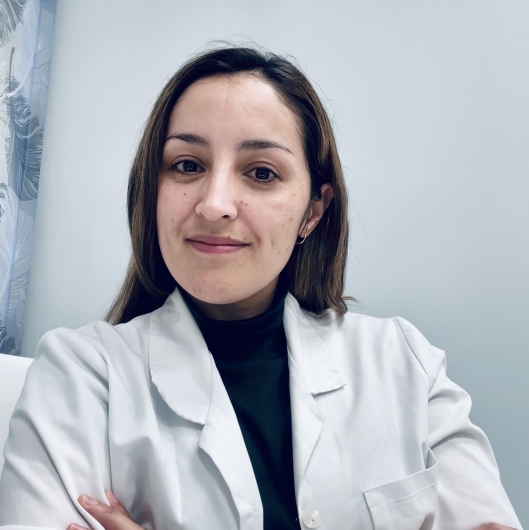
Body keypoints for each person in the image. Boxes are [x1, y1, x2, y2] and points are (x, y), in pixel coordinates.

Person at [0, 46, 522, 530]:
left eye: (262, 173)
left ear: (313, 211)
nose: (214, 204)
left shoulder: (405, 363)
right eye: (187, 165)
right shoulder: (80, 375)